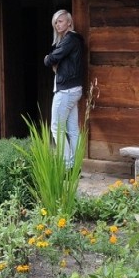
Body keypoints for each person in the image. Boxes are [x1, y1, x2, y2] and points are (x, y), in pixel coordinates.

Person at [43, 9, 85, 168]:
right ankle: (76, 166)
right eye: (55, 22)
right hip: (74, 89)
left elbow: (51, 59)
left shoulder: (70, 39)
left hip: (66, 90)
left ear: (69, 22)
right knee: (72, 129)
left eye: (60, 21)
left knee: (56, 127)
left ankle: (68, 166)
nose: (57, 24)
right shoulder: (74, 40)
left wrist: (48, 58)